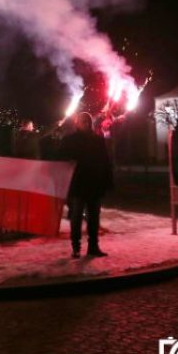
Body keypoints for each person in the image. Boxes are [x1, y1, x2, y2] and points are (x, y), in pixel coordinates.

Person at [59, 111, 113, 258]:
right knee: (76, 217)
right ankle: (76, 247)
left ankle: (93, 246)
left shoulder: (98, 140)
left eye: (88, 121)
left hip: (94, 184)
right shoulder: (70, 140)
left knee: (93, 218)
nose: (87, 123)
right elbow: (61, 157)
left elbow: (105, 161)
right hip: (78, 185)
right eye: (83, 121)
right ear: (77, 123)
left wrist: (107, 182)